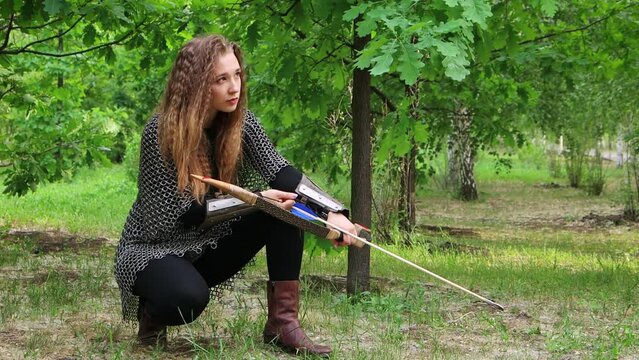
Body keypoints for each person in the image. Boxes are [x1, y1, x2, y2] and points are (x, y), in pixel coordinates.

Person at [114, 34, 356, 357]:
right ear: (198, 85)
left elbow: (282, 173)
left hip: (207, 242)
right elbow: (177, 217)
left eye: (237, 75)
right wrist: (254, 199)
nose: (234, 87)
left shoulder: (241, 124)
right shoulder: (161, 131)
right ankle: (153, 315)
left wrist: (332, 213)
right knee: (188, 297)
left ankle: (282, 325)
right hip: (153, 251)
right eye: (221, 79)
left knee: (286, 207)